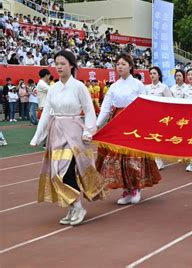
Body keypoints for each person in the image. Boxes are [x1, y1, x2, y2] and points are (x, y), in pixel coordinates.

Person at [30, 50, 106, 226]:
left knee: (67, 170)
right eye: (56, 63)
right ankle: (73, 206)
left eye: (62, 63)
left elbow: (89, 111)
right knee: (56, 173)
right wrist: (37, 137)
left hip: (74, 132)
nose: (59, 67)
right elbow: (47, 113)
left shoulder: (79, 87)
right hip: (56, 132)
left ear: (71, 65)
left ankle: (78, 206)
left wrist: (88, 132)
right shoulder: (53, 89)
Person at [96, 53, 161, 205]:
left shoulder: (138, 85)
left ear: (130, 66)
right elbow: (106, 108)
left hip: (134, 123)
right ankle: (126, 189)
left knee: (134, 157)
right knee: (118, 158)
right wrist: (97, 125)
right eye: (118, 64)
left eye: (123, 64)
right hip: (118, 122)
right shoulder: (114, 86)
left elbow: (146, 105)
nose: (120, 66)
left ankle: (136, 188)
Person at [145, 66, 172, 170]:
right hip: (149, 117)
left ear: (159, 75)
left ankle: (159, 159)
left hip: (161, 117)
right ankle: (157, 160)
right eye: (151, 73)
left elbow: (170, 102)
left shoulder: (164, 87)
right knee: (151, 139)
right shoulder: (146, 88)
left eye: (154, 73)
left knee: (158, 139)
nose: (152, 75)